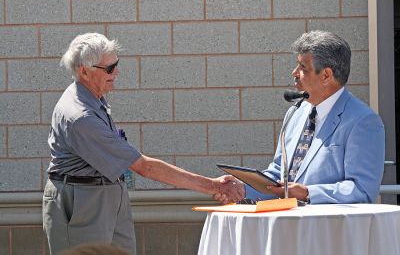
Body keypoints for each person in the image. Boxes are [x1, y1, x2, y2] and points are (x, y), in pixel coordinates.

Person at [42, 32, 243, 255]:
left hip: (105, 194)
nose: (116, 72)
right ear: (84, 71)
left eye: (116, 64)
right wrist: (213, 186)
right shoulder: (81, 116)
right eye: (109, 68)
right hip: (82, 201)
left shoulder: (92, 97)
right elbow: (143, 167)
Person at [216, 30, 385, 205]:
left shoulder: (363, 121)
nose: (294, 72)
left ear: (326, 75)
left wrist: (307, 193)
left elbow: (362, 189)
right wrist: (242, 187)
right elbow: (279, 174)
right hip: (287, 225)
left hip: (328, 229)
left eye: (303, 67)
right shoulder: (295, 113)